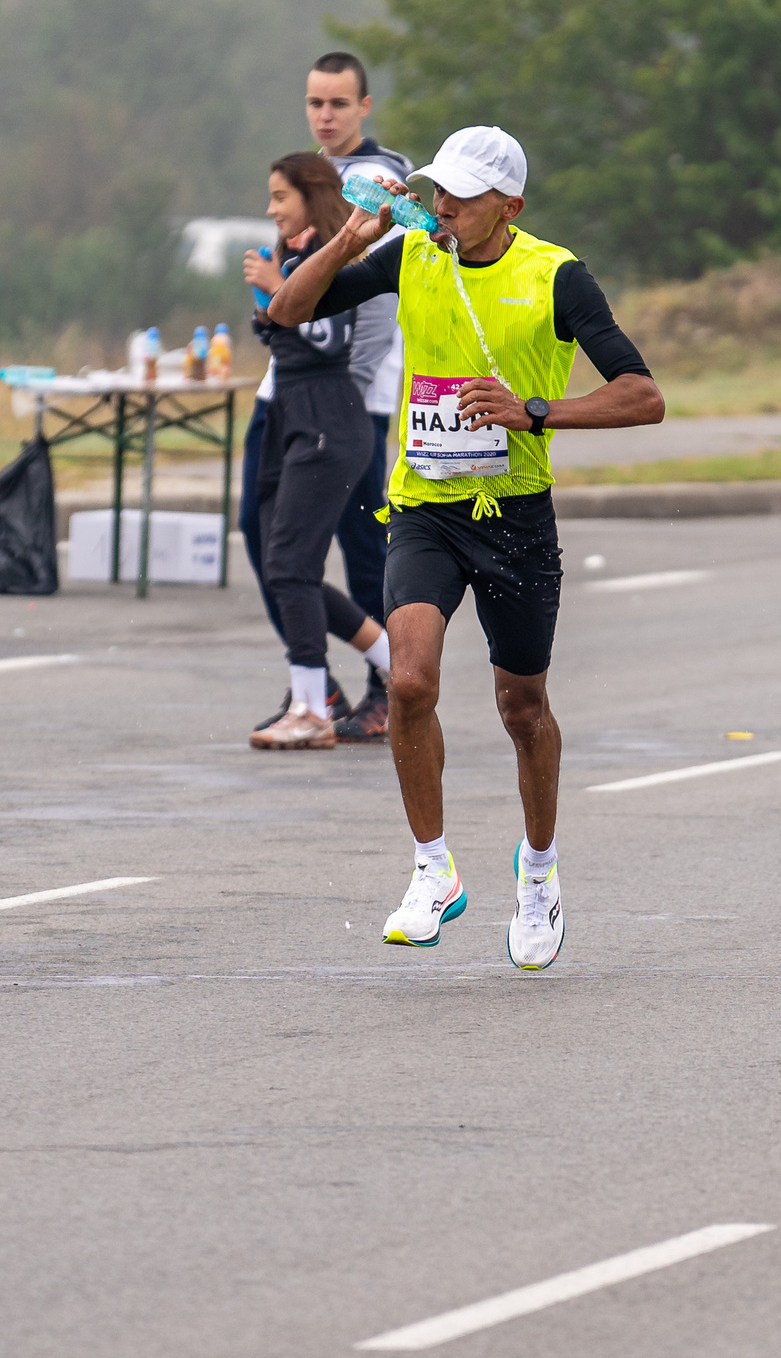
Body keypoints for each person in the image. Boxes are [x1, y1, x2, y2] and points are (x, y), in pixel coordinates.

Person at [268, 126, 664, 968]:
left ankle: (540, 874)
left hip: (516, 516)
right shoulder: (414, 255)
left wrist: (536, 410)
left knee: (522, 710)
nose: (443, 206)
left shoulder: (556, 275)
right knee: (409, 679)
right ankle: (432, 868)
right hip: (425, 507)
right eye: (438, 190)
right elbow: (287, 310)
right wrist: (347, 238)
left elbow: (642, 395)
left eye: (463, 197)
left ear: (509, 207)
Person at [236, 52, 412, 738]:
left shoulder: (377, 178)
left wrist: (350, 394)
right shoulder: (305, 176)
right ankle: (315, 682)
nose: (326, 116)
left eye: (339, 103)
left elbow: (364, 308)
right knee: (268, 538)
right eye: (315, 103)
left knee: (361, 549)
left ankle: (388, 684)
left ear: (364, 105)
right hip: (285, 388)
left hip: (348, 398)